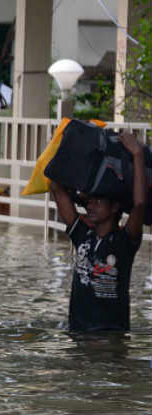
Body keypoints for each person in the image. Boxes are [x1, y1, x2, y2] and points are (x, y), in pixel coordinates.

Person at [49, 132, 146, 331]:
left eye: (98, 201)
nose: (90, 206)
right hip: (78, 331)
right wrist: (70, 147)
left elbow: (140, 204)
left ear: (114, 207)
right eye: (89, 201)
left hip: (110, 336)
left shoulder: (125, 241)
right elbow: (56, 188)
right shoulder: (82, 235)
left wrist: (137, 154)